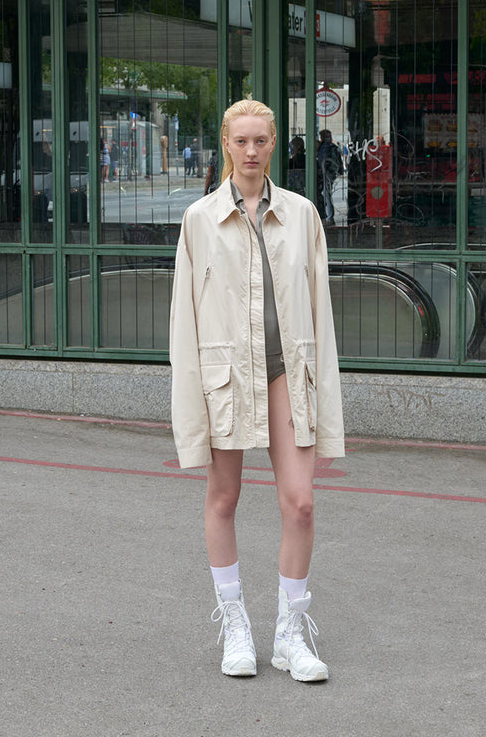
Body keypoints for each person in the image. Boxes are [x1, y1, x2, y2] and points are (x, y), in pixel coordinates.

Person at [169, 99, 344, 683]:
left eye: (261, 141)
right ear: (226, 143)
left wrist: (325, 392)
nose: (251, 151)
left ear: (274, 145)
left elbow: (319, 312)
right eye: (241, 141)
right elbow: (184, 322)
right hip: (225, 376)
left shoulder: (302, 214)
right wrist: (190, 408)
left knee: (301, 502)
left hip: (287, 371)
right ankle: (235, 622)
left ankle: (290, 633)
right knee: (224, 498)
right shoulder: (199, 220)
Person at [317, 129, 343, 224]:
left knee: (326, 193)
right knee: (326, 193)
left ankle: (329, 216)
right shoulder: (329, 147)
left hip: (327, 172)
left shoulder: (327, 147)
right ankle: (328, 216)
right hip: (328, 172)